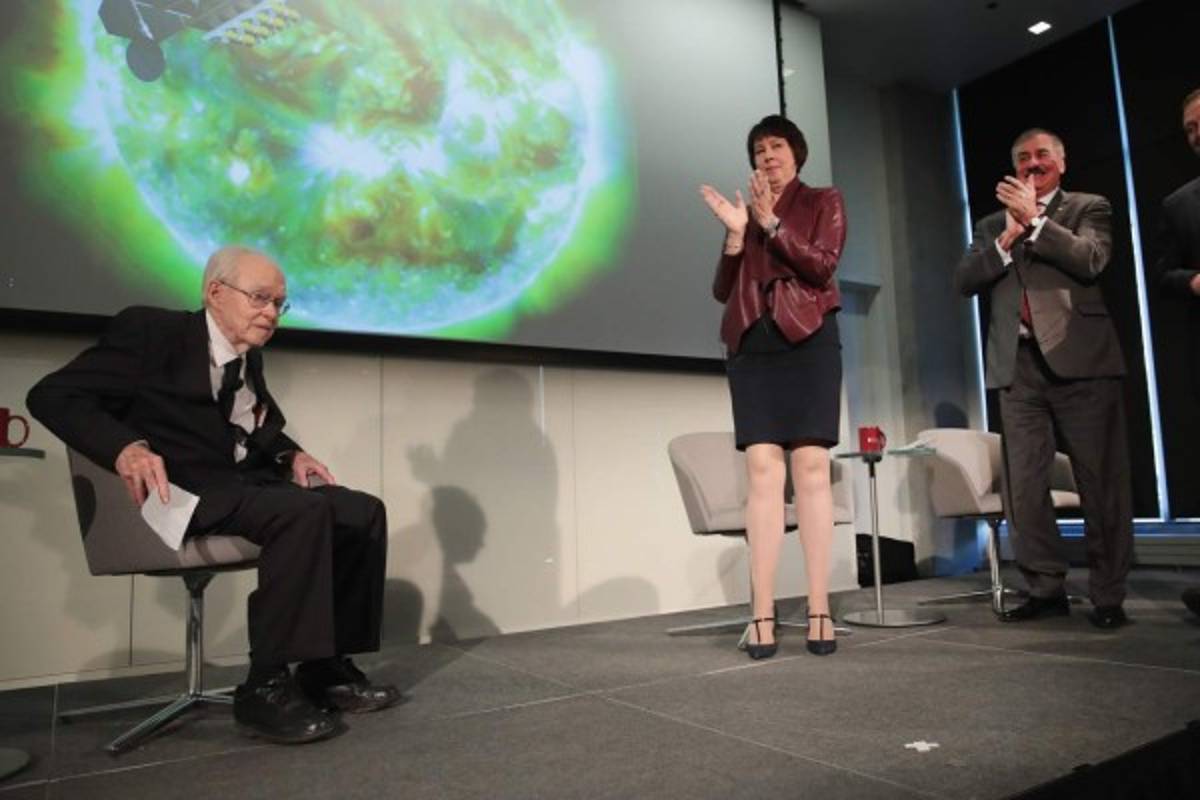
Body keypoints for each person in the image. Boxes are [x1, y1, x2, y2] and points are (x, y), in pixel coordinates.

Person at [26, 245, 401, 744]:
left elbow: (245, 426)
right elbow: (51, 395)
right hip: (182, 492)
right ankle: (264, 686)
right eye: (260, 298)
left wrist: (291, 456)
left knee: (360, 511)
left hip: (242, 488)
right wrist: (124, 447)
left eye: (279, 304)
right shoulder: (150, 332)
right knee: (301, 511)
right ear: (214, 292)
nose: (270, 313)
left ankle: (325, 667)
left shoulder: (248, 358)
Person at [955, 129, 1134, 629]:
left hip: (1083, 361)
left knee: (1102, 483)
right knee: (1025, 486)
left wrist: (1035, 220)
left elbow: (1091, 259)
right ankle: (1045, 588)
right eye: (1022, 158)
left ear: (1061, 161)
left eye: (1041, 156)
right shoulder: (992, 222)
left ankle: (1107, 595)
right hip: (1017, 366)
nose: (1032, 163)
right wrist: (1008, 236)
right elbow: (966, 280)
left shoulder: (1088, 207)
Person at [700, 114, 847, 659]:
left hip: (809, 340)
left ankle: (817, 607)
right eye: (759, 149)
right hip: (752, 345)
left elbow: (823, 267)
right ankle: (761, 611)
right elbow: (722, 290)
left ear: (797, 154)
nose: (767, 156)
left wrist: (774, 225)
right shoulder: (746, 214)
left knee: (810, 469)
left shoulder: (823, 200)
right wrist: (738, 235)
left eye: (777, 146)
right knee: (762, 470)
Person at [1154, 89, 1200, 619]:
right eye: (1189, 128)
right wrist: (1193, 281)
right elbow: (1164, 271)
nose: (1196, 134)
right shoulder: (1180, 203)